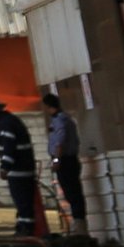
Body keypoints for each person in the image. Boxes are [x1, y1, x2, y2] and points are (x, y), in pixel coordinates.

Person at [0, 94, 40, 235]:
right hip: (23, 168)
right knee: (23, 202)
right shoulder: (10, 120)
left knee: (23, 202)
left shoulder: (5, 125)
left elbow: (9, 147)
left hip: (19, 170)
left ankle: (26, 231)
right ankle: (24, 227)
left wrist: (5, 167)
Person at [39, 86, 85, 238]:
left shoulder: (60, 121)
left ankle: (79, 227)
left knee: (72, 192)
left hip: (65, 161)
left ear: (48, 106)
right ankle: (78, 226)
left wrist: (57, 159)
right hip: (69, 159)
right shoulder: (65, 119)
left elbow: (60, 142)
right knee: (73, 192)